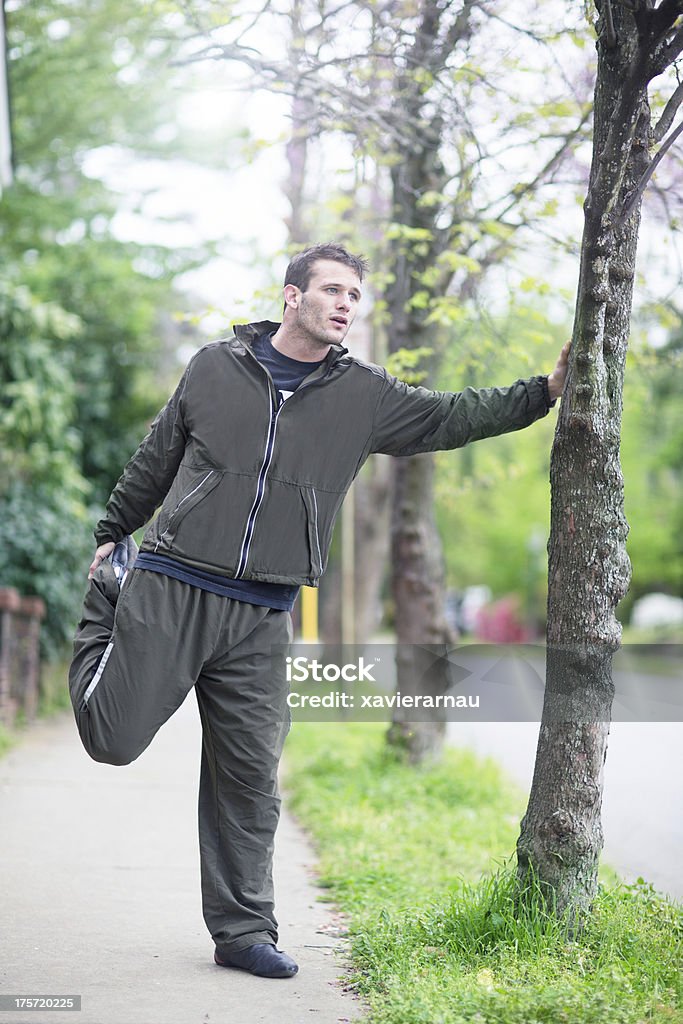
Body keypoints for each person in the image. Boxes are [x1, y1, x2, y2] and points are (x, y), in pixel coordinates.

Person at [68, 242, 570, 980]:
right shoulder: (213, 367)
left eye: (354, 297)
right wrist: (113, 536)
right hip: (172, 585)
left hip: (262, 614)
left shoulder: (362, 396)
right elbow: (157, 455)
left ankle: (243, 932)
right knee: (110, 739)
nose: (345, 305)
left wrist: (543, 391)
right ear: (291, 297)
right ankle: (107, 598)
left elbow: (449, 417)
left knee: (249, 778)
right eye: (332, 290)